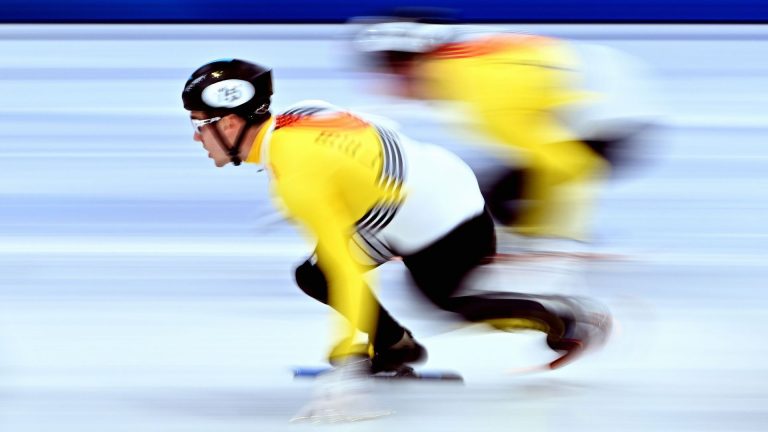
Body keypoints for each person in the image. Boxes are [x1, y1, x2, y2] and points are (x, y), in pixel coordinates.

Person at [180, 58, 610, 392]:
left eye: (200, 125)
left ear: (231, 123)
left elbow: (346, 269)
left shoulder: (297, 176)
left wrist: (350, 357)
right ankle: (394, 345)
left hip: (440, 218)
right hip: (429, 183)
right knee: (314, 274)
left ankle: (564, 318)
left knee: (447, 302)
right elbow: (380, 126)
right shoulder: (296, 115)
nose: (197, 137)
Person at [353, 17, 658, 245]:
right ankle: (528, 235)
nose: (387, 88)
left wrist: (557, 237)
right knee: (494, 194)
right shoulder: (466, 64)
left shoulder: (485, 94)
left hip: (613, 126)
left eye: (392, 74)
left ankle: (547, 237)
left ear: (415, 65)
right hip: (612, 112)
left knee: (494, 195)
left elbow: (574, 166)